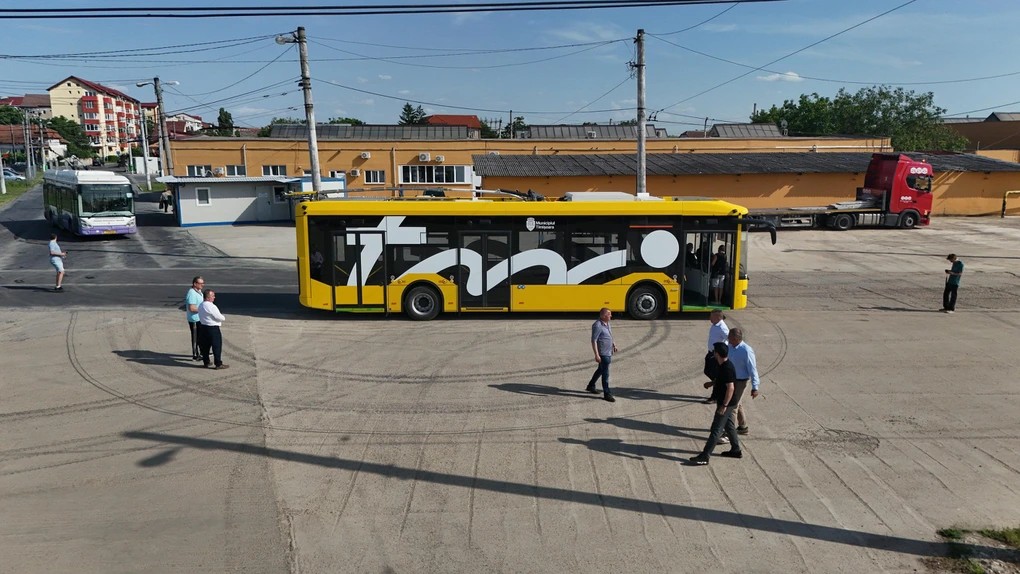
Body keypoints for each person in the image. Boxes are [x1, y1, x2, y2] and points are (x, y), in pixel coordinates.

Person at [689, 342, 743, 465]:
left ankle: (705, 456)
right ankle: (736, 450)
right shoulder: (722, 365)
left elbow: (730, 388)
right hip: (727, 402)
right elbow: (722, 380)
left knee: (716, 429)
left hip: (726, 403)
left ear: (717, 354)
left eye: (714, 351)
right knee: (729, 426)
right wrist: (711, 383)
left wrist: (724, 406)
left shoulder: (727, 368)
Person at [727, 328, 760, 436]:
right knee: (738, 403)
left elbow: (753, 369)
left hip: (741, 381)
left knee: (733, 406)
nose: (728, 339)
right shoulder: (730, 347)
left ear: (736, 338)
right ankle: (743, 427)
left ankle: (729, 432)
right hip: (732, 380)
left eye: (730, 337)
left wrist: (755, 387)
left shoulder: (746, 350)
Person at [585, 307, 618, 402]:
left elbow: (610, 335)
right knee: (605, 374)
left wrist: (613, 344)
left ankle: (591, 385)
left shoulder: (607, 323)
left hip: (608, 351)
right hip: (603, 353)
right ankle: (607, 394)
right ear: (604, 316)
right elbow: (594, 340)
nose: (611, 316)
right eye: (609, 314)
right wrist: (596, 354)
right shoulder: (597, 325)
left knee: (600, 369)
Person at [702, 309, 730, 404]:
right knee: (707, 371)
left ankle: (715, 397)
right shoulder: (715, 325)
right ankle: (719, 383)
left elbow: (729, 339)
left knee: (716, 375)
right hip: (711, 353)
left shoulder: (722, 327)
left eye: (712, 316)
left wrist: (724, 352)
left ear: (718, 317)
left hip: (717, 355)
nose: (710, 318)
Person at [197, 289, 229, 369]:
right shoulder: (211, 306)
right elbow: (219, 317)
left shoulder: (201, 305)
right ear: (208, 297)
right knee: (216, 346)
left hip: (203, 327)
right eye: (213, 296)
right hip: (213, 328)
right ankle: (218, 363)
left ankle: (206, 362)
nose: (214, 297)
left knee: (205, 346)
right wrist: (223, 317)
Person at [184, 276, 204, 360]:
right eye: (200, 283)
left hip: (199, 318)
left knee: (201, 336)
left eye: (203, 283)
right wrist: (203, 310)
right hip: (194, 319)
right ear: (195, 284)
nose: (202, 285)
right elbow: (192, 308)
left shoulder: (199, 291)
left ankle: (202, 352)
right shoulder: (192, 293)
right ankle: (195, 355)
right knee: (195, 337)